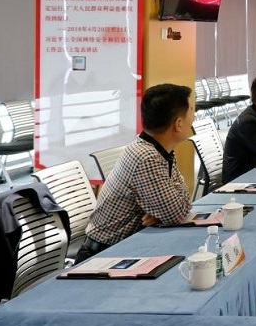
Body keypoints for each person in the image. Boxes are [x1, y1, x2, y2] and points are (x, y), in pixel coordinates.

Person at [77, 84, 195, 261]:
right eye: (191, 111)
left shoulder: (159, 149)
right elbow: (178, 214)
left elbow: (181, 202)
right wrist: (166, 212)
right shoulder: (146, 157)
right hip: (103, 257)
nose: (194, 117)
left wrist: (162, 213)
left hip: (126, 248)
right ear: (178, 124)